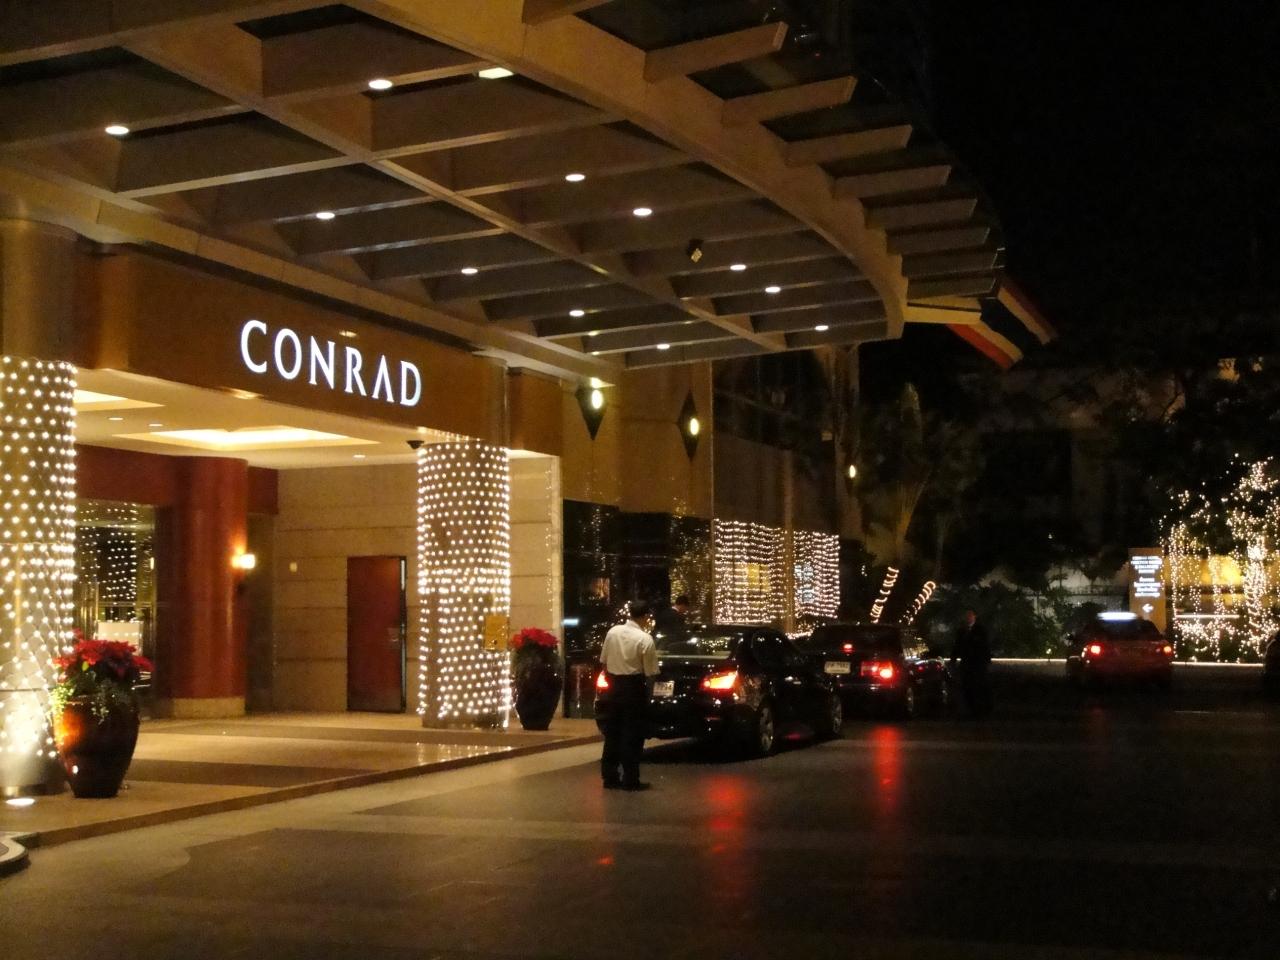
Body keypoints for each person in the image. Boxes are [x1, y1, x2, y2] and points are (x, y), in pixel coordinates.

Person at [599, 600, 660, 791]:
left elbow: (604, 662)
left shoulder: (613, 632)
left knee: (612, 733)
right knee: (632, 735)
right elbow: (650, 673)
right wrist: (648, 696)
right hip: (634, 688)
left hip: (614, 686)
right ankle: (630, 778)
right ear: (645, 616)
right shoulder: (645, 639)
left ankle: (609, 776)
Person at [951, 609, 993, 718]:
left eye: (970, 615)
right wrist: (953, 659)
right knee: (967, 686)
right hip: (966, 663)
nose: (968, 618)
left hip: (978, 663)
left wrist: (986, 661)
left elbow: (985, 646)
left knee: (978, 687)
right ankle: (970, 709)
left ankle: (980, 710)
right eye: (967, 616)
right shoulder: (962, 631)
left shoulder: (981, 630)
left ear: (975, 616)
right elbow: (957, 646)